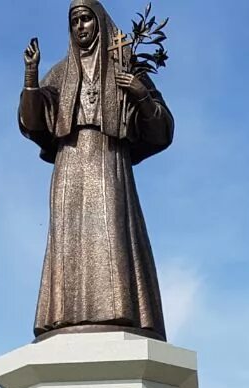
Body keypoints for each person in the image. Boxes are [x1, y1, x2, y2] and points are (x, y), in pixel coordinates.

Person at [19, 1, 174, 339]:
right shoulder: (60, 74)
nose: (81, 27)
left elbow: (163, 130)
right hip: (69, 163)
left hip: (108, 160)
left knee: (111, 234)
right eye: (75, 21)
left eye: (86, 18)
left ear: (100, 22)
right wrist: (31, 79)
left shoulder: (125, 66)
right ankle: (64, 317)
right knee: (67, 239)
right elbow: (33, 124)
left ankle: (118, 311)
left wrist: (139, 93)